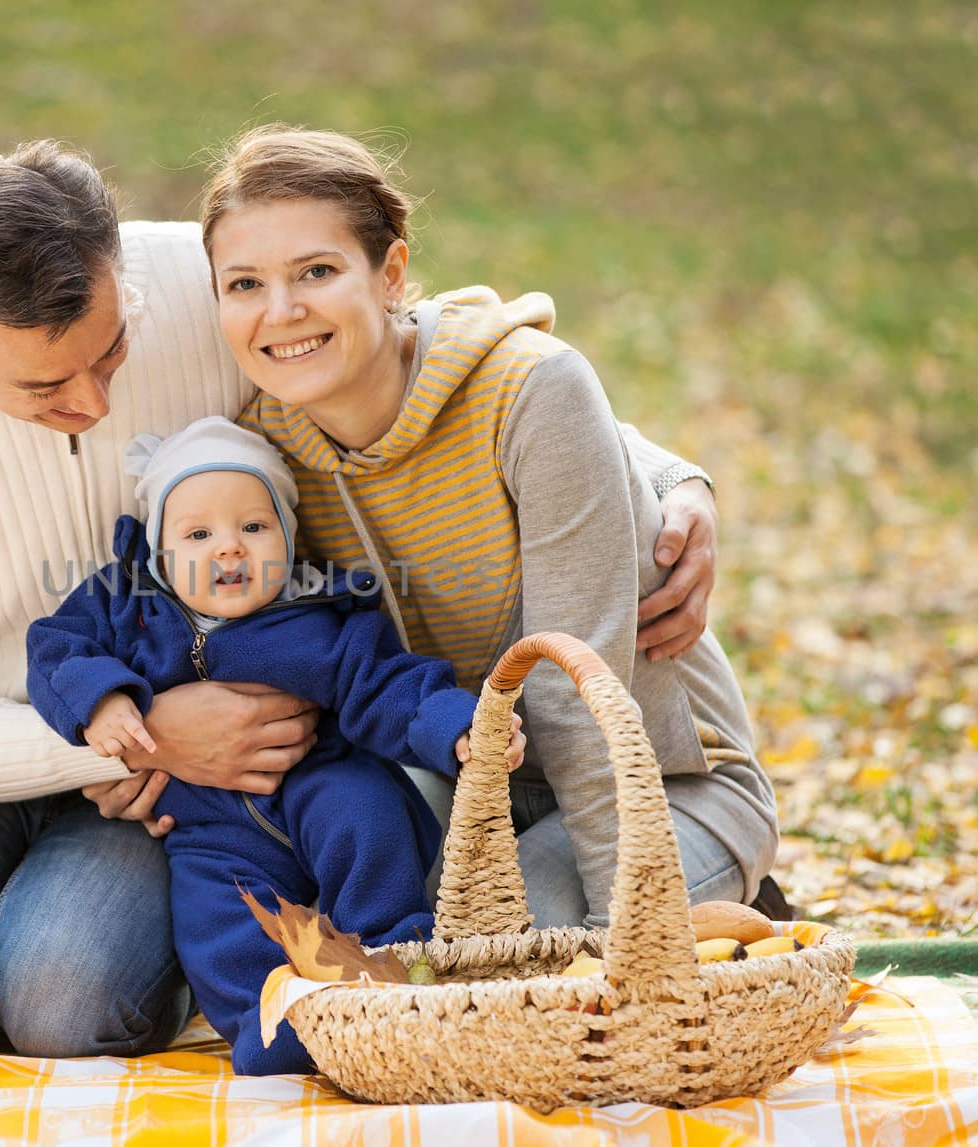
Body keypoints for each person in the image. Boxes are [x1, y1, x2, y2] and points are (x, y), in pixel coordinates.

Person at [0, 138, 722, 1061]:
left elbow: (438, 351)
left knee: (66, 1004)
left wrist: (672, 482)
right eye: (45, 386)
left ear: (122, 275)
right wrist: (142, 731)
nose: (96, 402)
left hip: (181, 792)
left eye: (111, 354)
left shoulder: (210, 291)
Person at [202, 126, 782, 929]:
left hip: (663, 780)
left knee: (508, 947)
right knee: (382, 934)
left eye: (318, 271)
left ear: (390, 273)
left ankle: (698, 898)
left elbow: (577, 699)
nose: (282, 310)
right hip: (468, 774)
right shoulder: (260, 452)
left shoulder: (526, 395)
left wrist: (634, 930)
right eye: (244, 284)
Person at [25, 417, 526, 1074]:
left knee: (367, 821)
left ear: (288, 539)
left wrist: (459, 727)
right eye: (199, 534)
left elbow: (388, 683)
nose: (229, 549)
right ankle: (273, 1023)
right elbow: (55, 646)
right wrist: (104, 699)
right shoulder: (127, 606)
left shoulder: (319, 614)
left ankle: (401, 974)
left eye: (253, 528)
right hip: (210, 822)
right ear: (159, 552)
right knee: (216, 919)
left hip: (321, 779)